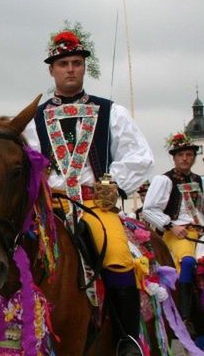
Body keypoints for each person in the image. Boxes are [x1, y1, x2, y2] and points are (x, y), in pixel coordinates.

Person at [24, 29, 154, 356]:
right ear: (51, 70)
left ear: (84, 68)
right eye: (63, 63)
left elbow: (142, 156)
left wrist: (110, 182)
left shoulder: (111, 112)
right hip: (51, 208)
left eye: (76, 63)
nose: (70, 68)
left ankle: (127, 340)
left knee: (118, 257)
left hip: (95, 206)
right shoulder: (34, 120)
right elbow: (27, 166)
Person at [142, 132, 203, 338]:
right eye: (181, 155)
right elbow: (148, 209)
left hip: (199, 233)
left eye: (188, 154)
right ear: (174, 158)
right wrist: (170, 225)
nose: (185, 158)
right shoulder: (164, 180)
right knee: (187, 263)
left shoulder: (200, 181)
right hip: (178, 234)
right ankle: (185, 315)